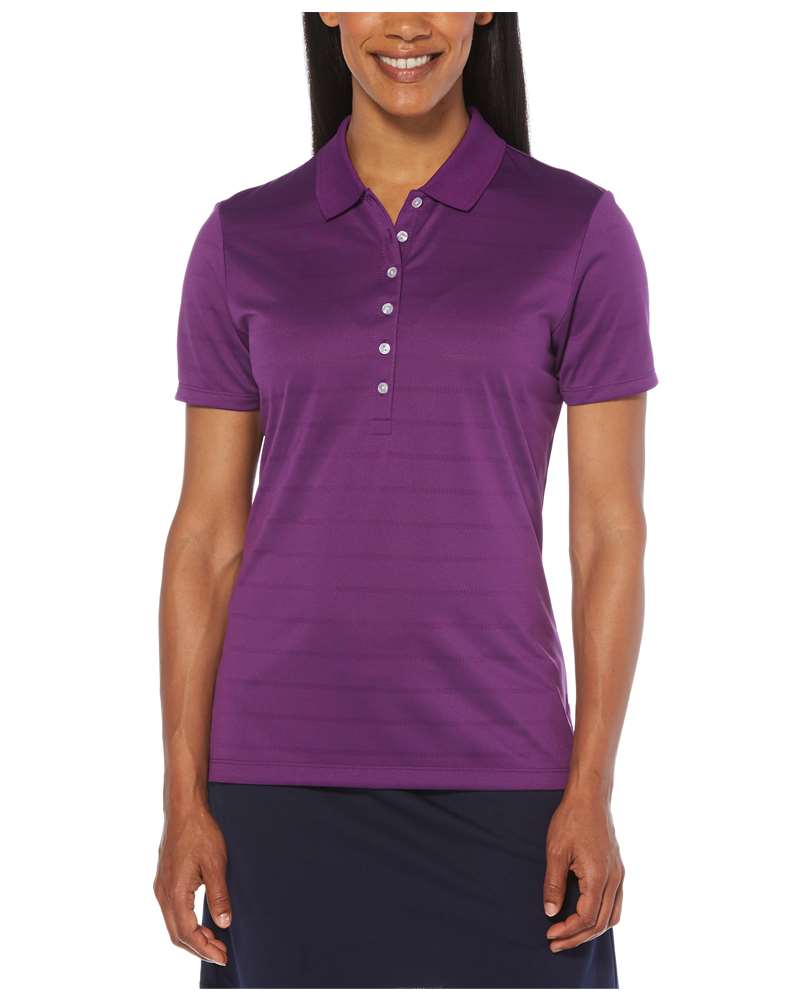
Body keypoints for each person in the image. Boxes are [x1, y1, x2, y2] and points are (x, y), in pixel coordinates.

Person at [154, 12, 657, 988]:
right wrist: (183, 799)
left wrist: (590, 784)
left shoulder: (577, 230)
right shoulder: (240, 239)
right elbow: (205, 538)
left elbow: (608, 535)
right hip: (275, 777)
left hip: (506, 772)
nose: (406, 24)